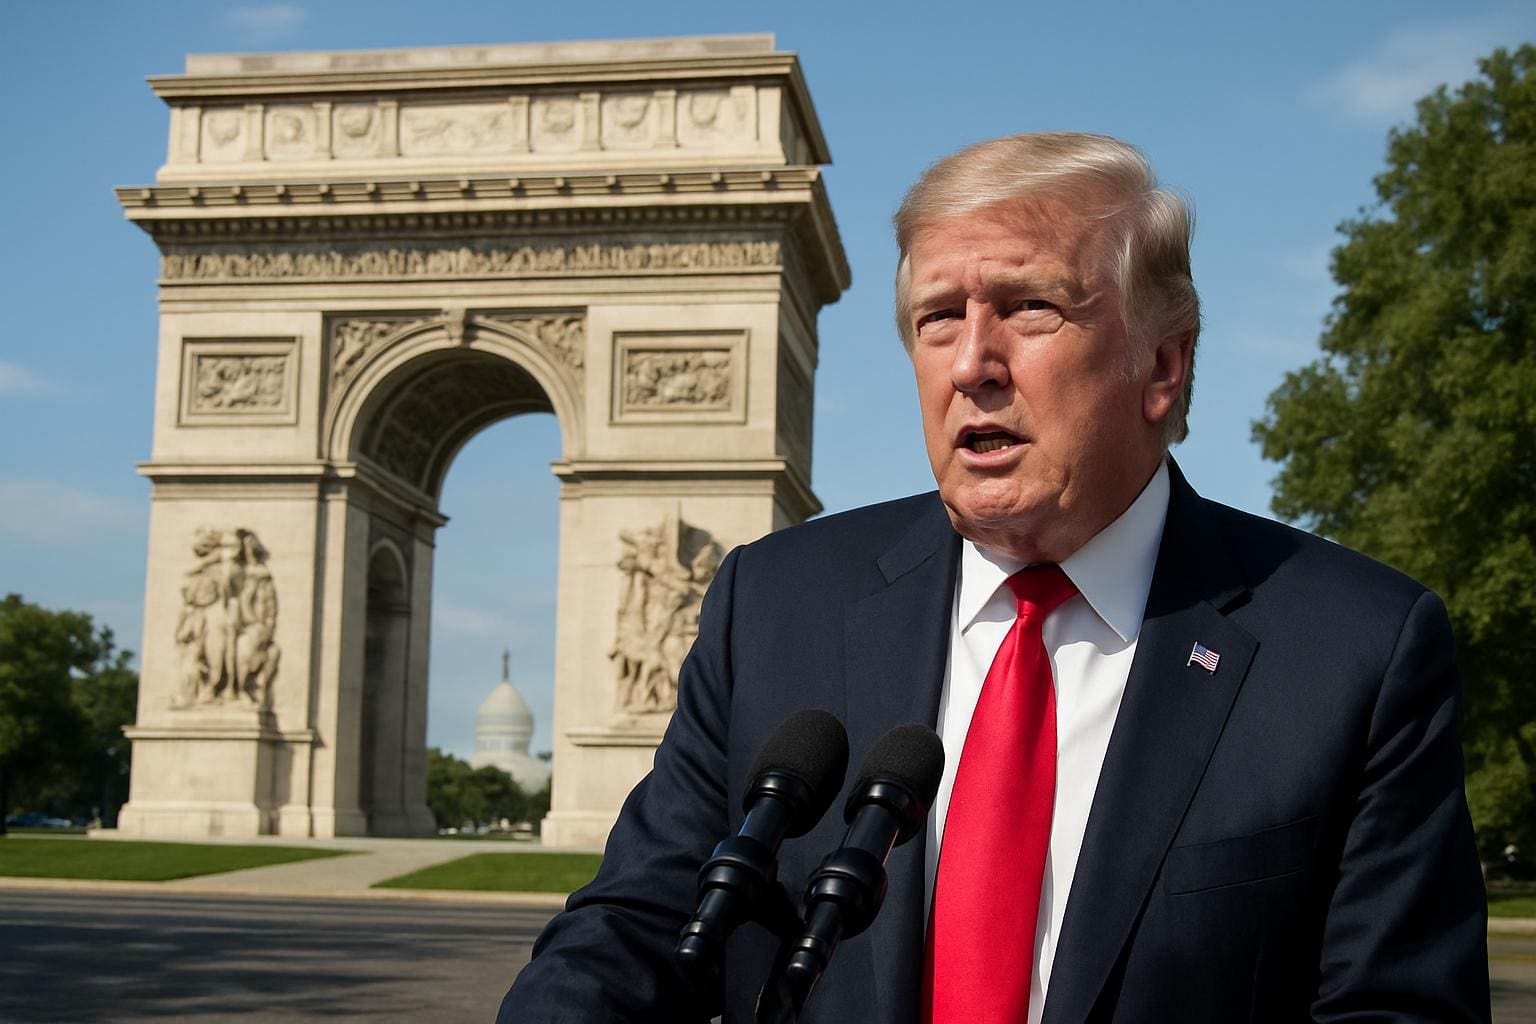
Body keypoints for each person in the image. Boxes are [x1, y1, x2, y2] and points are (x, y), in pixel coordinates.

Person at [499, 133, 1489, 1023]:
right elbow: (637, 923)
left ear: (1164, 363)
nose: (973, 361)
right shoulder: (773, 607)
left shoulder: (1354, 650)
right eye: (938, 317)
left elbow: (1399, 1009)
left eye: (1030, 307)